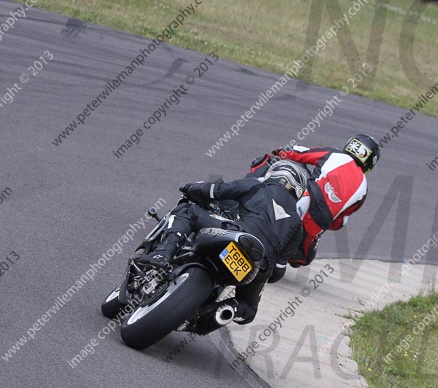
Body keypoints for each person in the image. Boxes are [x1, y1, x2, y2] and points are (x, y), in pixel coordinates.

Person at [136, 160, 308, 329]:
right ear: (298, 190)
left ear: (275, 174)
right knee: (248, 308)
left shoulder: (257, 186)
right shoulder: (297, 226)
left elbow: (216, 190)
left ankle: (162, 255)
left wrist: (189, 188)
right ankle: (214, 313)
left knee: (188, 211)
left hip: (238, 236)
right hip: (260, 264)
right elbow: (277, 272)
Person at [248, 134, 381, 266]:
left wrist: (280, 151)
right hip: (316, 224)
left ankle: (248, 192)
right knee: (301, 259)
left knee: (272, 162)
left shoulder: (336, 155)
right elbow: (339, 222)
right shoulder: (363, 190)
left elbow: (300, 153)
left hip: (304, 199)